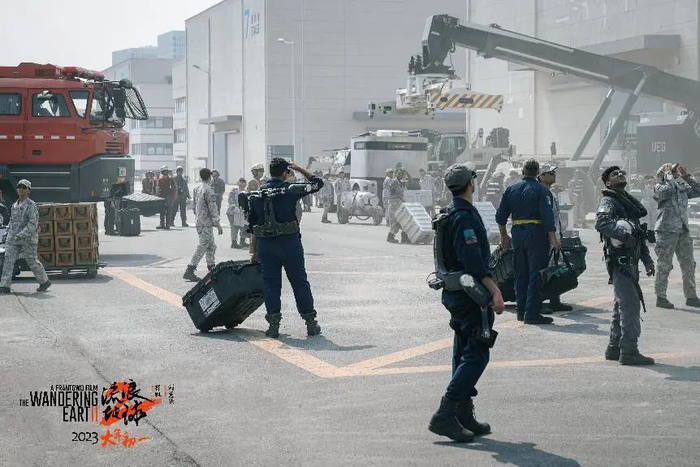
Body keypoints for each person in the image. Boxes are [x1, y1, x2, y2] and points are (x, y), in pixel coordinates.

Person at [428, 164, 505, 443]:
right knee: (477, 353)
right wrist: (494, 291)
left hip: (455, 292)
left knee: (463, 351)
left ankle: (462, 412)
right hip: (469, 294)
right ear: (471, 183)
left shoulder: (449, 212)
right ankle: (445, 413)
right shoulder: (463, 217)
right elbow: (472, 260)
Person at [246, 158, 324, 338]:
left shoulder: (257, 195)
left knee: (271, 284)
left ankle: (273, 325)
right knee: (299, 282)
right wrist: (299, 168)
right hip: (289, 244)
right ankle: (310, 323)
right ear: (284, 173)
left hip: (266, 246)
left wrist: (255, 252)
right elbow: (318, 183)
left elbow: (253, 228)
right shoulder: (290, 190)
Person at [596, 166, 656, 365]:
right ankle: (629, 351)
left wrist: (647, 260)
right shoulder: (609, 202)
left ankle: (614, 348)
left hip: (631, 262)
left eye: (621, 172)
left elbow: (638, 234)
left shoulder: (627, 204)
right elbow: (602, 223)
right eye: (615, 174)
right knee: (630, 306)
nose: (620, 174)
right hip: (621, 262)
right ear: (607, 183)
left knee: (620, 306)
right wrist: (625, 237)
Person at [496, 159, 560, 324]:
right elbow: (547, 217)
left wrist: (503, 236)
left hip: (517, 232)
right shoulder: (542, 191)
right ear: (537, 173)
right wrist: (553, 239)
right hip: (536, 233)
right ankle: (532, 313)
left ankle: (521, 311)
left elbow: (500, 216)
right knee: (536, 273)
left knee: (520, 273)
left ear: (522, 172)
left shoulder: (511, 189)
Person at [653, 163, 700, 309]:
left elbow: (697, 190)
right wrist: (668, 176)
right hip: (666, 230)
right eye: (671, 171)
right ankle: (661, 297)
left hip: (682, 229)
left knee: (689, 264)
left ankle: (691, 296)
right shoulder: (659, 187)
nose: (674, 173)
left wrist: (686, 177)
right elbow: (667, 191)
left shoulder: (680, 185)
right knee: (664, 265)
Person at [0, 179, 51, 294]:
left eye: (24, 187)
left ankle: (44, 281)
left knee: (31, 261)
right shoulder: (14, 205)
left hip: (27, 239)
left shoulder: (31, 205)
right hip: (13, 239)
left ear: (28, 191)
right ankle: (4, 286)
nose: (21, 189)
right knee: (8, 261)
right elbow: (12, 222)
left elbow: (32, 224)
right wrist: (7, 235)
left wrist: (21, 235)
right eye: (19, 187)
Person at [537, 164, 573, 312]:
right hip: (545, 238)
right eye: (550, 173)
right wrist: (552, 238)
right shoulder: (540, 193)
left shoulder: (550, 193)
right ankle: (538, 302)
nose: (554, 175)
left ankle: (554, 299)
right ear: (541, 176)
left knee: (555, 267)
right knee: (542, 269)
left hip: (555, 235)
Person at [183, 169, 224, 281]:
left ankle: (211, 268)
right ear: (209, 177)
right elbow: (213, 208)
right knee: (203, 246)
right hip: (206, 223)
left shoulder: (197, 189)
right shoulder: (209, 190)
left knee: (211, 246)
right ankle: (190, 269)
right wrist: (218, 224)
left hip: (200, 221)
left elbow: (194, 206)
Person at [386, 167, 412, 244]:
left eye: (401, 174)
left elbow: (410, 180)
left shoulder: (401, 182)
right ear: (396, 174)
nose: (400, 175)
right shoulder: (394, 182)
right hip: (394, 206)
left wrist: (406, 172)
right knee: (395, 223)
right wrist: (403, 201)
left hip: (399, 205)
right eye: (399, 173)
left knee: (404, 221)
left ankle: (404, 238)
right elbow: (396, 193)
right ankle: (390, 237)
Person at [227, 178, 248, 248]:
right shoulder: (234, 191)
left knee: (243, 226)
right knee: (234, 227)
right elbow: (230, 200)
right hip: (232, 212)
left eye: (243, 182)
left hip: (242, 213)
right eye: (240, 182)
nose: (242, 184)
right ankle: (234, 242)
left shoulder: (246, 192)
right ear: (238, 183)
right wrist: (235, 207)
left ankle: (242, 241)